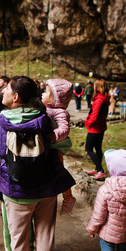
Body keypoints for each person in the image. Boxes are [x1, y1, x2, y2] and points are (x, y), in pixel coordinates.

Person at [0, 76, 75, 251]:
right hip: (46, 188)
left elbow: (0, 157)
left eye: (7, 89)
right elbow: (63, 145)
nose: (3, 93)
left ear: (16, 97)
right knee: (45, 232)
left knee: (18, 234)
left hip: (15, 190)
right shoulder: (47, 119)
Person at [41, 78, 77, 214]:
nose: (42, 94)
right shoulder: (46, 108)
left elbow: (64, 128)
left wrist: (55, 134)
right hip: (50, 145)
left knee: (59, 171)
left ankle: (68, 197)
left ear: (53, 98)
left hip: (56, 146)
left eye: (45, 92)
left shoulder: (60, 112)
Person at [85, 78, 110, 181]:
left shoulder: (99, 100)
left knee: (88, 149)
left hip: (94, 128)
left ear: (98, 87)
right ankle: (97, 169)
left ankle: (100, 170)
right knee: (98, 148)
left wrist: (87, 123)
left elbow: (94, 115)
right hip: (101, 127)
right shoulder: (105, 98)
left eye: (95, 85)